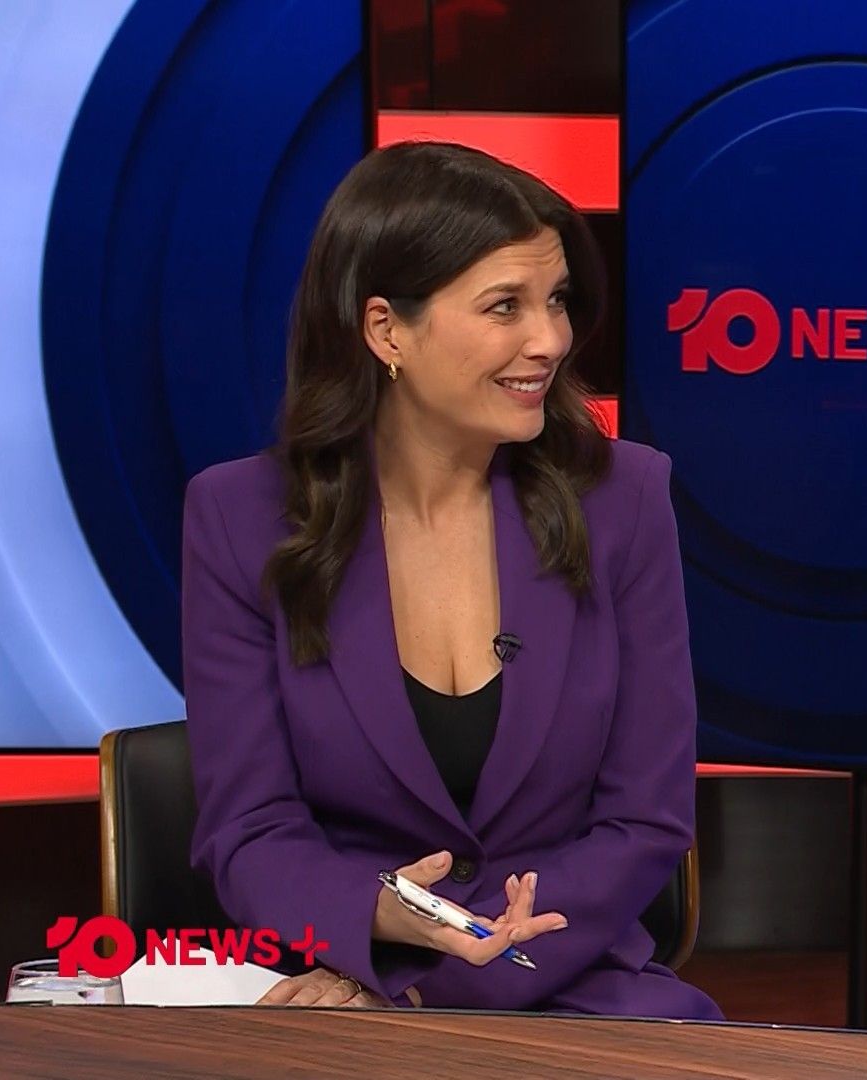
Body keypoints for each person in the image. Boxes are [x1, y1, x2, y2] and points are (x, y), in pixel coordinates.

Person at [182, 141, 719, 1019]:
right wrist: (378, 927)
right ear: (386, 330)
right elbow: (250, 831)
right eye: (506, 306)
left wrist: (439, 985)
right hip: (344, 986)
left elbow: (646, 820)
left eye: (557, 301)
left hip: (570, 984)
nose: (550, 340)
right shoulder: (241, 519)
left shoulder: (623, 498)